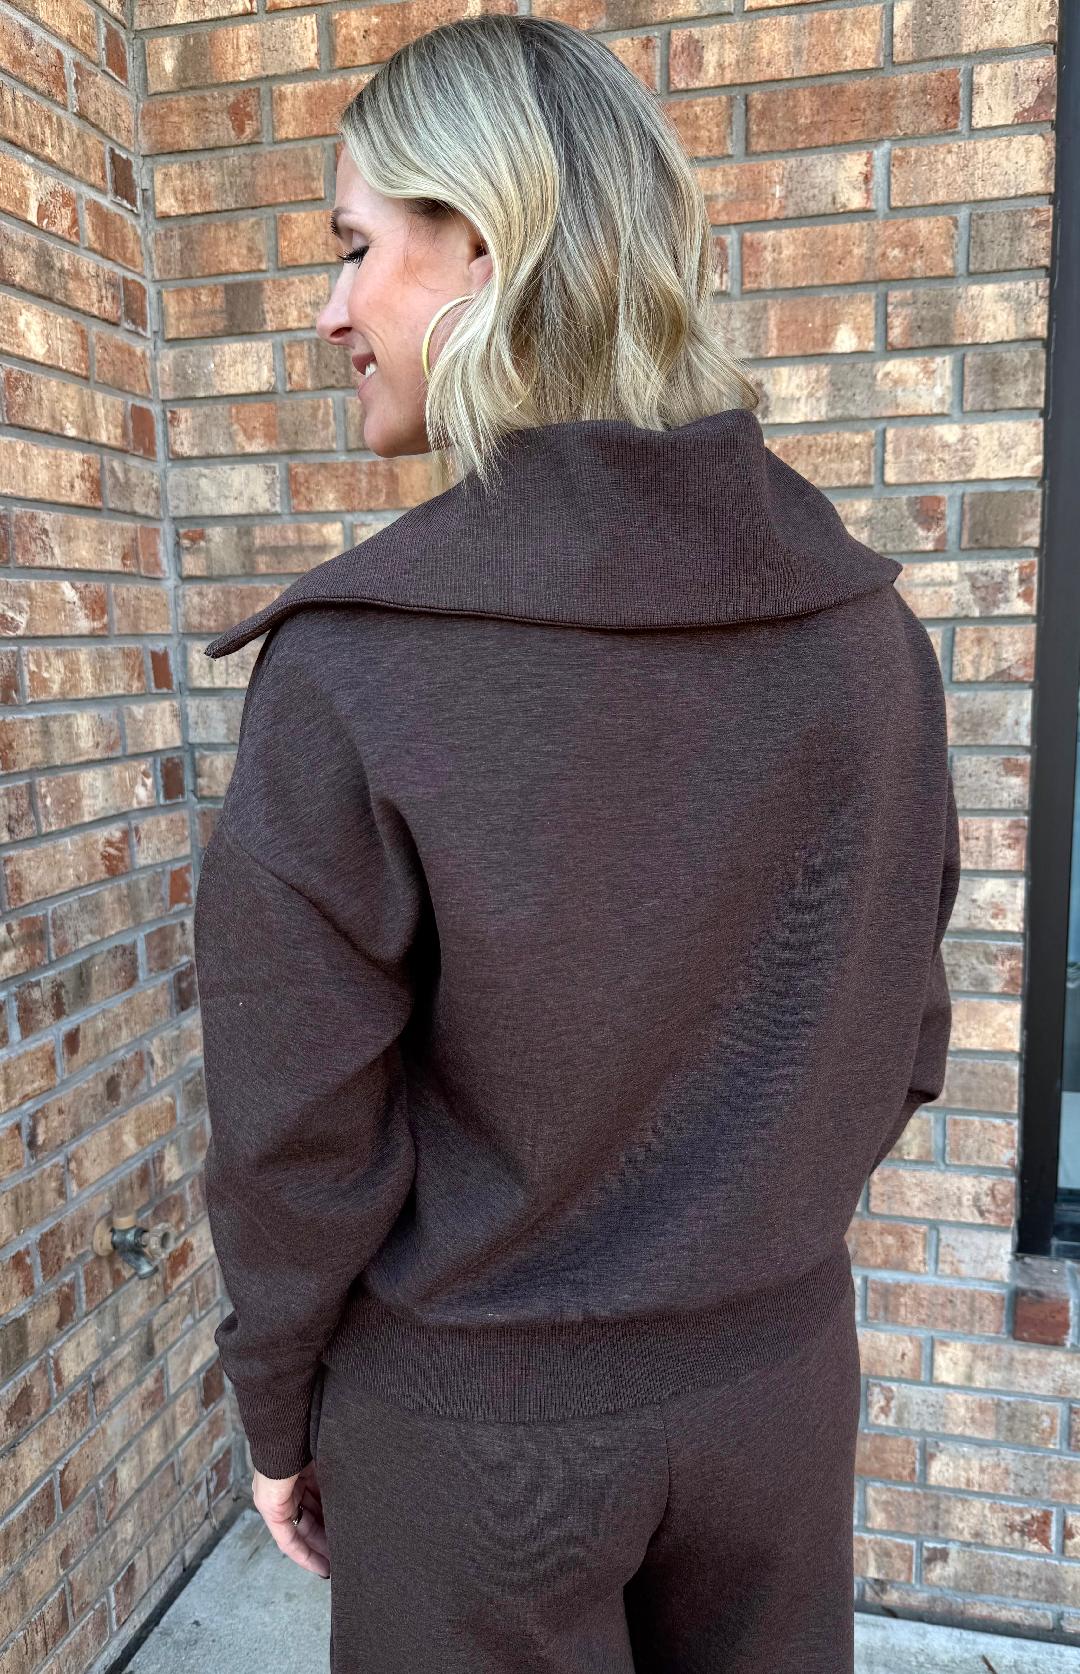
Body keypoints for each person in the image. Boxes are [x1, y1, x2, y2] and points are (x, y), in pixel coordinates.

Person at [191, 16, 960, 1674]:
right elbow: (903, 1035)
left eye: (352, 247)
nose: (328, 310)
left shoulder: (361, 667)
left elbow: (295, 1133)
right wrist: (734, 1244)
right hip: (777, 1393)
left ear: (480, 244)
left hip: (476, 1436)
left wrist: (277, 1405)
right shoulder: (870, 639)